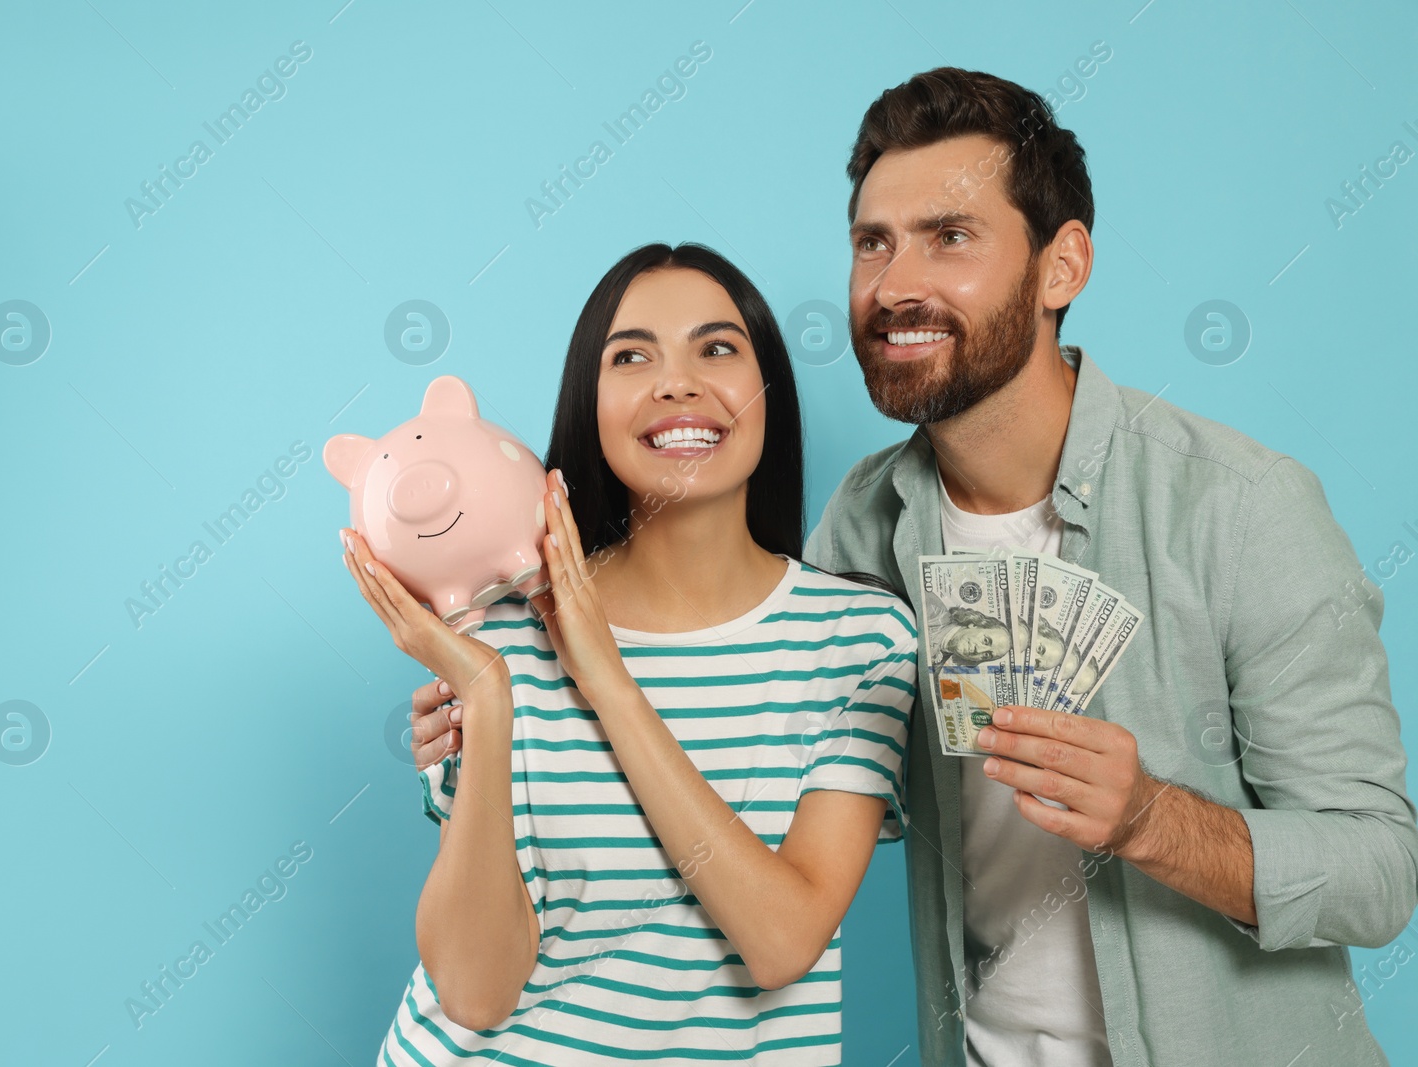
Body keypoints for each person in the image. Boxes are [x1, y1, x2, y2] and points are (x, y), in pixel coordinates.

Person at [800, 67, 1418, 1065]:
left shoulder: (1241, 506)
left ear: (1061, 267)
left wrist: (1150, 817)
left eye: (948, 237)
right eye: (872, 242)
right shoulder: (865, 522)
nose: (893, 284)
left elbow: (1381, 868)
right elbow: (794, 776)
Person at [349, 242, 917, 1064]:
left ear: (770, 394)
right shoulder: (498, 633)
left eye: (717, 347)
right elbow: (476, 990)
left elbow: (781, 939)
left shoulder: (859, 641)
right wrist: (489, 696)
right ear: (591, 403)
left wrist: (605, 675)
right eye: (631, 356)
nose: (677, 381)